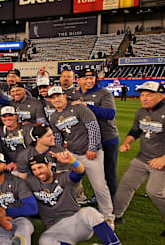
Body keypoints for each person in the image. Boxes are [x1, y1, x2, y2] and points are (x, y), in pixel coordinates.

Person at [27, 152, 136, 245]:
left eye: (40, 167)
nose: (38, 172)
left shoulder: (63, 177)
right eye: (34, 170)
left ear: (49, 165)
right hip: (56, 229)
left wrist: (73, 161)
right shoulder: (30, 183)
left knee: (90, 212)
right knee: (44, 243)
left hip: (78, 222)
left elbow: (79, 172)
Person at [113, 81, 165, 238]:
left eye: (149, 95)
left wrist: (164, 159)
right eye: (142, 95)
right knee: (126, 185)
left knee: (154, 192)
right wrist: (127, 142)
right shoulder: (141, 112)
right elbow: (136, 130)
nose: (144, 98)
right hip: (144, 158)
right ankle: (115, 215)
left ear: (162, 96)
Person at [47, 85, 115, 228]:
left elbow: (93, 127)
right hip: (72, 153)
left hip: (89, 153)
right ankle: (74, 207)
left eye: (58, 96)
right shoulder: (53, 117)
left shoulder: (79, 108)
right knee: (66, 181)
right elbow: (58, 138)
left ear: (64, 96)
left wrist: (92, 148)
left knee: (99, 186)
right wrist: (60, 153)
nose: (56, 99)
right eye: (53, 97)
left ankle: (108, 217)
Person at [77, 69, 119, 201]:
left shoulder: (104, 93)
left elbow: (110, 114)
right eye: (85, 78)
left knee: (108, 171)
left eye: (91, 78)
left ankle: (111, 201)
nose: (89, 81)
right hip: (88, 140)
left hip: (107, 138)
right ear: (78, 80)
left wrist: (87, 107)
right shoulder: (75, 94)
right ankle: (99, 197)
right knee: (96, 173)